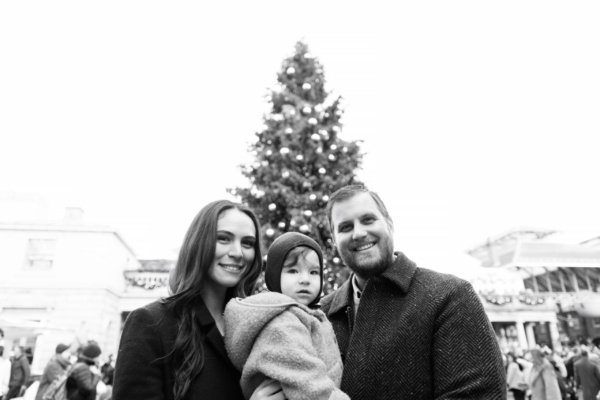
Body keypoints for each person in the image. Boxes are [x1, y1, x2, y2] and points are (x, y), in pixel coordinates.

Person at [320, 185, 506, 399]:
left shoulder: (450, 296)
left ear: (389, 223)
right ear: (334, 241)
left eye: (368, 220)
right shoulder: (318, 315)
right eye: (345, 227)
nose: (359, 232)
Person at [112, 200, 285, 400]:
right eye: (223, 238)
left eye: (247, 243)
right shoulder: (150, 323)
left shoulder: (255, 324)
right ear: (198, 242)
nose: (237, 253)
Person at [224, 232, 349, 400]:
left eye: (313, 272)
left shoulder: (309, 314)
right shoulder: (281, 322)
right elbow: (307, 383)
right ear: (274, 275)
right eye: (293, 270)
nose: (305, 279)